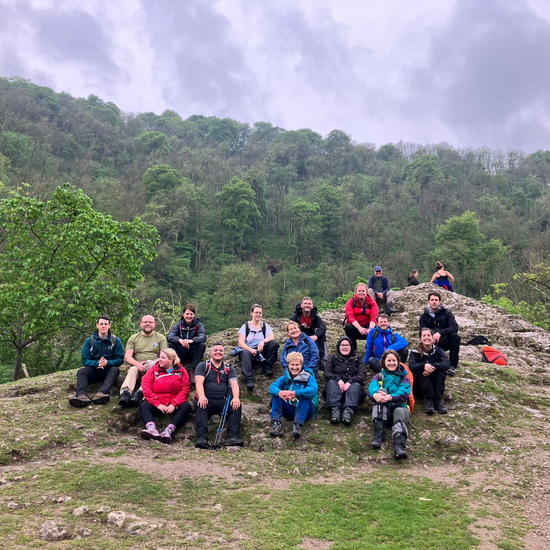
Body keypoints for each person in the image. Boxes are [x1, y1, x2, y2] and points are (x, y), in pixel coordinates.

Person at [195, 342, 243, 448]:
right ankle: (202, 438)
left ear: (224, 353)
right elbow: (199, 383)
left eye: (221, 350)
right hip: (207, 399)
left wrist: (236, 398)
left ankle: (232, 437)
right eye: (215, 350)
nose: (218, 352)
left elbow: (234, 384)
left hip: (223, 400)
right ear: (211, 352)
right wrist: (202, 396)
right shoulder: (203, 366)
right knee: (200, 405)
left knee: (236, 406)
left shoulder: (228, 368)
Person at [69, 316, 124, 407]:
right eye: (101, 324)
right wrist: (97, 363)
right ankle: (81, 396)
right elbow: (85, 360)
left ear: (109, 325)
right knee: (82, 371)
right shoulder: (90, 341)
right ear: (97, 325)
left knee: (115, 370)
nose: (103, 326)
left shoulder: (115, 341)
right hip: (94, 370)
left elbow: (120, 359)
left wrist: (107, 363)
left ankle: (101, 393)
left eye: (105, 324)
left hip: (108, 371)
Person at [139, 348, 191, 443]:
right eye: (160, 357)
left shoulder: (181, 371)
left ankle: (168, 431)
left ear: (171, 359)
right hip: (158, 404)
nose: (160, 360)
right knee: (144, 406)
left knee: (186, 407)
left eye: (163, 357)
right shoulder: (154, 370)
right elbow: (146, 387)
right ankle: (151, 429)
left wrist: (174, 404)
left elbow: (185, 390)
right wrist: (157, 404)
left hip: (173, 405)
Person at [368, 350, 412, 459]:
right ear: (384, 362)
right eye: (389, 360)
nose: (391, 363)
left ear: (398, 362)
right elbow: (372, 387)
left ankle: (399, 446)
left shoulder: (404, 377)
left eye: (394, 360)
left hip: (400, 409)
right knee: (380, 393)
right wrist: (375, 395)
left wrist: (391, 397)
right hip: (385, 411)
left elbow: (404, 392)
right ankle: (379, 435)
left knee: (398, 410)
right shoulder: (379, 376)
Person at [118, 315, 168, 407]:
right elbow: (127, 356)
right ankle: (126, 393)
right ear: (141, 324)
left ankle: (140, 393)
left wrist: (153, 364)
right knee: (133, 369)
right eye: (145, 322)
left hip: (153, 368)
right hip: (137, 367)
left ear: (154, 324)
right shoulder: (134, 338)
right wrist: (137, 364)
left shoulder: (160, 338)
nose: (148, 324)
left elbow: (163, 357)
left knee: (153, 368)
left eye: (150, 322)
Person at [269, 352, 318, 439]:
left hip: (305, 411)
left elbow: (313, 390)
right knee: (277, 394)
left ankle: (298, 425)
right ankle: (276, 424)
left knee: (305, 396)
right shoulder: (285, 378)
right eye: (292, 365)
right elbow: (272, 388)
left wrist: (296, 393)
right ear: (288, 365)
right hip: (289, 409)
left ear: (301, 365)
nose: (294, 367)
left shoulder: (308, 377)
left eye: (297, 365)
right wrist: (281, 393)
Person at [236, 304, 280, 391]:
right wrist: (251, 350)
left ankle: (267, 367)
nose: (258, 314)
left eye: (260, 313)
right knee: (245, 352)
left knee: (274, 344)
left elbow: (272, 337)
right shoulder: (245, 326)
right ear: (251, 313)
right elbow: (241, 343)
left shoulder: (265, 326)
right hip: (249, 352)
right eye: (256, 312)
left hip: (260, 351)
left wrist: (263, 341)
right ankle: (249, 379)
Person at [324, 336, 366, 426]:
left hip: (353, 389)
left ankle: (348, 413)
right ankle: (335, 412)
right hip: (336, 387)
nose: (345, 347)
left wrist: (350, 381)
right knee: (331, 383)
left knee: (356, 386)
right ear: (338, 347)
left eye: (347, 345)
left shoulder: (358, 359)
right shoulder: (333, 358)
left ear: (351, 346)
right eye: (342, 345)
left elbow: (362, 375)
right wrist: (338, 380)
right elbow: (326, 373)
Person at [408, 327, 450, 415]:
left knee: (441, 370)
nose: (426, 337)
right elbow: (412, 366)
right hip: (419, 387)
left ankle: (438, 400)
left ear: (432, 337)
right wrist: (424, 366)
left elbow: (446, 364)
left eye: (428, 335)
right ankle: (429, 400)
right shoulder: (415, 351)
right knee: (421, 371)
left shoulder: (438, 350)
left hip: (435, 383)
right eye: (424, 336)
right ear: (421, 338)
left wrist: (431, 366)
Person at [419, 291, 461, 376]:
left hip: (444, 339)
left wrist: (440, 333)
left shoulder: (447, 313)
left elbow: (454, 327)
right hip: (430, 341)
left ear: (439, 302)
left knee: (455, 337)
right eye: (432, 300)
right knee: (421, 342)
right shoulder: (424, 316)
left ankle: (452, 365)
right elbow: (421, 330)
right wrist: (430, 337)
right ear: (428, 301)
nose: (434, 302)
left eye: (436, 300)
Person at [167, 304, 207, 382]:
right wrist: (180, 341)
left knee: (202, 345)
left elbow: (203, 337)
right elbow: (169, 337)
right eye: (187, 314)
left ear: (194, 315)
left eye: (191, 314)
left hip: (193, 352)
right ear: (183, 314)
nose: (189, 316)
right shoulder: (178, 325)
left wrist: (191, 341)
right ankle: (177, 367)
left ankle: (194, 370)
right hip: (182, 352)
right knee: (172, 345)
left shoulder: (198, 325)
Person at [290, 297, 327, 368]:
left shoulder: (315, 317)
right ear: (301, 305)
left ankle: (323, 360)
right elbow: (290, 327)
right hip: (300, 338)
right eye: (305, 303)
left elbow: (323, 327)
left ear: (312, 306)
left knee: (322, 336)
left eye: (309, 304)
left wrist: (316, 335)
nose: (307, 305)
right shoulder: (296, 316)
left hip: (312, 337)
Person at [344, 282, 379, 352]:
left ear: (367, 292)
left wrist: (370, 329)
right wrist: (360, 328)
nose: (361, 293)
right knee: (349, 327)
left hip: (368, 328)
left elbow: (374, 316)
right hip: (355, 328)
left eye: (363, 291)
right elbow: (350, 316)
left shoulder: (372, 302)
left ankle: (371, 348)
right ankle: (352, 349)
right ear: (355, 292)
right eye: (359, 291)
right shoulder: (351, 301)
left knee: (376, 330)